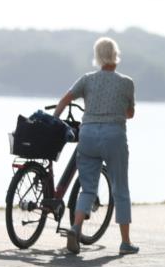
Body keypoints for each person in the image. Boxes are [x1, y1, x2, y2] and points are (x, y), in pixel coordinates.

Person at [53, 37, 137, 255]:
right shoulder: (126, 83)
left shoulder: (87, 80)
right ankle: (125, 242)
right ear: (116, 56)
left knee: (87, 188)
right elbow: (130, 114)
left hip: (88, 135)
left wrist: (54, 121)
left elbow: (64, 100)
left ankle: (75, 227)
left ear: (98, 57)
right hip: (113, 137)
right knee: (120, 188)